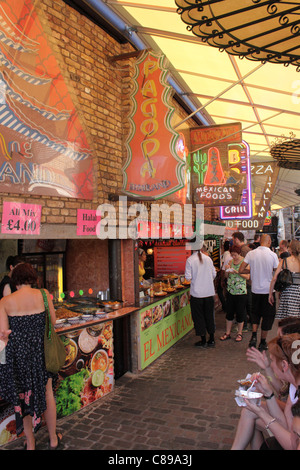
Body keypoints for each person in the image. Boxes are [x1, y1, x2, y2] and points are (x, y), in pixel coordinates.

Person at [0, 263, 62, 450]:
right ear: (32, 279)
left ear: (15, 281)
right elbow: (52, 321)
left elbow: (4, 333)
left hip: (18, 356)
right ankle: (52, 439)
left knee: (23, 397)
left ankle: (31, 444)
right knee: (48, 392)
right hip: (40, 352)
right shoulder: (43, 294)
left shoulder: (5, 301)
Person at [231, 333, 300, 450]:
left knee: (252, 415)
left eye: (272, 360)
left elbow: (292, 443)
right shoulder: (295, 384)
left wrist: (262, 411)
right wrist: (268, 394)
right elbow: (286, 424)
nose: (271, 364)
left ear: (284, 365)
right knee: (250, 412)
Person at [239, 234, 279, 351]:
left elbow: (241, 269)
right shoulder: (273, 255)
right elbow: (276, 272)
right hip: (268, 291)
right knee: (267, 316)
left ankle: (254, 336)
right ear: (269, 241)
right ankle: (262, 342)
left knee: (255, 313)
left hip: (255, 290)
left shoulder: (251, 253)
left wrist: (252, 271)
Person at [185, 246, 216, 348]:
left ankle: (203, 340)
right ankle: (211, 339)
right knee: (209, 316)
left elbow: (188, 278)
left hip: (197, 294)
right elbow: (214, 274)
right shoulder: (208, 259)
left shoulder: (190, 260)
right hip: (209, 293)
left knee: (199, 317)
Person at [220, 245, 250, 342]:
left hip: (241, 291)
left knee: (240, 313)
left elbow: (248, 277)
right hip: (230, 291)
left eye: (235, 255)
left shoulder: (244, 262)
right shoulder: (230, 261)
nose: (233, 257)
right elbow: (226, 275)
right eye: (232, 255)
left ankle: (239, 333)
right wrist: (227, 270)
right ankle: (227, 333)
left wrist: (237, 272)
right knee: (229, 313)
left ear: (239, 253)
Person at [269, 239, 300, 321]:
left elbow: (274, 278)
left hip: (288, 291)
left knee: (289, 320)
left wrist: (270, 294)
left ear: (290, 249)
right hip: (298, 291)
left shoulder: (284, 261)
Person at [232, 232, 252, 331]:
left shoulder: (243, 250)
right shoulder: (247, 249)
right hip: (247, 280)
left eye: (233, 239)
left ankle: (244, 325)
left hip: (244, 281)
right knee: (248, 304)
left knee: (244, 305)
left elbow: (244, 267)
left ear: (236, 239)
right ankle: (250, 324)